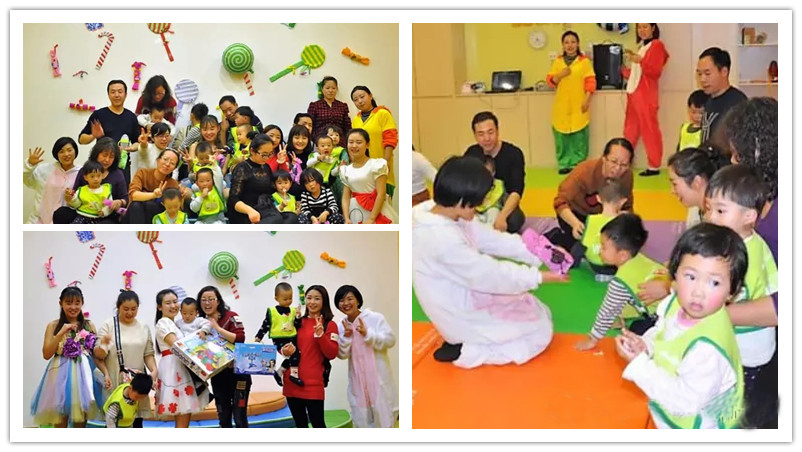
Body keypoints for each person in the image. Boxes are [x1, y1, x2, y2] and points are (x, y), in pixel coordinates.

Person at [412, 156, 566, 368]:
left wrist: (542, 252)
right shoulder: (440, 238)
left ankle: (464, 341)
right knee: (537, 335)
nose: (479, 208)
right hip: (455, 307)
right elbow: (489, 274)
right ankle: (465, 350)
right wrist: (538, 277)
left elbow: (491, 239)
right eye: (477, 203)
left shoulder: (439, 209)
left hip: (463, 288)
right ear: (460, 200)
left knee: (538, 312)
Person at [617, 223, 746, 429]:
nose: (698, 292)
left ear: (733, 291)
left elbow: (686, 404)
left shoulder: (707, 350)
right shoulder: (675, 302)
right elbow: (663, 331)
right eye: (691, 277)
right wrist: (646, 345)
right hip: (668, 406)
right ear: (674, 275)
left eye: (714, 283)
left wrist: (640, 366)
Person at [704, 165, 777, 428]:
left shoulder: (746, 257)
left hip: (747, 350)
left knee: (736, 406)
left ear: (749, 216)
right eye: (708, 209)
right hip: (744, 343)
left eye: (720, 211)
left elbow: (734, 299)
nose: (710, 217)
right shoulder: (745, 242)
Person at [724, 97, 778, 428]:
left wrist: (713, 313)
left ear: (758, 151)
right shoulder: (763, 200)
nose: (733, 161)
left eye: (737, 154)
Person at [574, 213, 667, 351]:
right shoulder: (641, 259)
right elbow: (632, 294)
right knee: (635, 325)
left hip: (667, 320)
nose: (599, 250)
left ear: (623, 255)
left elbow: (607, 311)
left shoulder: (620, 282)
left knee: (632, 337)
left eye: (604, 247)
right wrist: (622, 315)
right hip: (677, 308)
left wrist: (592, 339)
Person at [30, 286, 101, 427]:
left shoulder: (88, 325)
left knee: (81, 419)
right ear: (60, 303)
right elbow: (46, 354)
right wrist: (61, 332)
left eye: (77, 303)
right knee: (60, 418)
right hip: (59, 376)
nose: (73, 307)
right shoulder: (53, 325)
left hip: (84, 375)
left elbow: (96, 353)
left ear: (82, 303)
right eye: (68, 303)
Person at [552, 137, 635, 250]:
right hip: (577, 215)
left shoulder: (627, 176)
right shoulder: (584, 171)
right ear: (604, 158)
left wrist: (625, 218)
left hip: (605, 217)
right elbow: (560, 202)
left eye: (624, 165)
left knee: (624, 244)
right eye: (614, 162)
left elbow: (628, 206)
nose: (617, 168)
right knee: (581, 247)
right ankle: (556, 236)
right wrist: (575, 224)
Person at [335, 285, 398, 428]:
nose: (346, 303)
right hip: (357, 382)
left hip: (378, 379)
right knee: (361, 419)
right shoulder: (341, 326)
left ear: (358, 300)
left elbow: (390, 340)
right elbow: (342, 354)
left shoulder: (375, 318)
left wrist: (368, 334)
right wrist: (347, 336)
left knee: (384, 418)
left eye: (350, 299)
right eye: (341, 300)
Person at [93, 290, 158, 429]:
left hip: (137, 383)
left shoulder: (143, 327)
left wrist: (154, 371)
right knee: (114, 419)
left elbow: (148, 354)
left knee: (136, 421)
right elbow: (98, 356)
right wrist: (104, 344)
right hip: (115, 380)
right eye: (126, 309)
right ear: (118, 307)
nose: (130, 313)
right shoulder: (109, 325)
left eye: (134, 309)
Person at [279, 285, 339, 428]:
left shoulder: (330, 325)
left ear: (324, 301)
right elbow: (283, 345)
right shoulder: (297, 322)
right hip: (292, 382)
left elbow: (332, 353)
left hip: (314, 385)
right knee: (300, 425)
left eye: (317, 298)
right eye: (309, 298)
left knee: (318, 425)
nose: (312, 302)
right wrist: (284, 351)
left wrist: (320, 335)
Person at [153, 289, 211, 427]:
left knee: (183, 417)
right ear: (160, 307)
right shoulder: (164, 323)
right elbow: (178, 346)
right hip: (175, 369)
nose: (173, 305)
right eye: (168, 303)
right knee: (182, 417)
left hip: (180, 366)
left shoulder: (176, 323)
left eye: (175, 301)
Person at [197, 286, 251, 428]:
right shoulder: (200, 322)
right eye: (203, 300)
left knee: (240, 418)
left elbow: (240, 338)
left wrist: (217, 328)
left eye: (211, 299)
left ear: (218, 301)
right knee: (223, 417)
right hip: (218, 375)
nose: (207, 303)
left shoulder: (231, 316)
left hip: (238, 374)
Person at [464, 111, 526, 233]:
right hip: (477, 203)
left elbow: (516, 191)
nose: (486, 138)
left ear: (497, 131)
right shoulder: (471, 154)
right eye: (481, 134)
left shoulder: (514, 153)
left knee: (515, 220)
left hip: (504, 202)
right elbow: (464, 187)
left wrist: (502, 217)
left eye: (490, 132)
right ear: (475, 135)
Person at [622, 23, 670, 177]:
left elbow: (655, 71)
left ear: (653, 28)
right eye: (639, 27)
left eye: (645, 27)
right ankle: (623, 162)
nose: (641, 30)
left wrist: (639, 60)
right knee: (630, 130)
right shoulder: (642, 47)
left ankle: (654, 166)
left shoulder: (656, 45)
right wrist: (622, 68)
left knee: (649, 130)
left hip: (645, 94)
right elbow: (637, 73)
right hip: (634, 92)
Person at [546, 30, 596, 174]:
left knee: (579, 136)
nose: (570, 45)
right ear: (562, 45)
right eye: (566, 42)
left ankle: (578, 164)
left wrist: (587, 99)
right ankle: (563, 164)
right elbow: (550, 81)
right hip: (561, 106)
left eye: (573, 42)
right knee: (562, 137)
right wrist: (560, 75)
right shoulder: (558, 62)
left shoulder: (584, 62)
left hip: (579, 105)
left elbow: (591, 81)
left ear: (578, 44)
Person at [52, 138, 129, 224]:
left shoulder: (118, 174)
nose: (107, 160)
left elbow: (125, 199)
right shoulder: (85, 170)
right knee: (61, 213)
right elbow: (76, 194)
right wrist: (70, 198)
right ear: (96, 154)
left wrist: (120, 202)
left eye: (111, 157)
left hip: (106, 214)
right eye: (104, 155)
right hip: (83, 213)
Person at [78, 80, 141, 184]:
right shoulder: (99, 114)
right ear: (108, 94)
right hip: (100, 167)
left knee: (122, 194)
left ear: (125, 94)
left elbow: (137, 143)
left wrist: (128, 149)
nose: (116, 95)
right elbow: (81, 139)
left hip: (122, 165)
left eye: (120, 92)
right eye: (113, 92)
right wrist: (93, 135)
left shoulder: (131, 117)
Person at [569, 179, 628, 278]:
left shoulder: (591, 218)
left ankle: (572, 264)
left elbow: (585, 243)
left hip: (594, 264)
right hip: (612, 267)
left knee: (579, 244)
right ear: (623, 201)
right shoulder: (624, 220)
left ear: (598, 198)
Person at [227, 134, 290, 224]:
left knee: (291, 217)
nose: (267, 158)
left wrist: (281, 163)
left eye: (270, 154)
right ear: (252, 151)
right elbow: (233, 199)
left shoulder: (266, 167)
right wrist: (249, 211)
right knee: (276, 219)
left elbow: (272, 189)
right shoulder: (242, 168)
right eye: (264, 155)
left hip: (265, 210)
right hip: (247, 213)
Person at [696, 47, 747, 156]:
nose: (702, 79)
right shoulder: (708, 100)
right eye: (699, 74)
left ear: (724, 71)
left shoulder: (738, 102)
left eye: (707, 74)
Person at [341, 129, 398, 224]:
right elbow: (345, 198)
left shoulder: (377, 165)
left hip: (376, 211)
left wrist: (371, 219)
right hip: (355, 211)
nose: (354, 145)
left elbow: (381, 194)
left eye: (359, 142)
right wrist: (346, 218)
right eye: (351, 142)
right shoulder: (346, 170)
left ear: (367, 145)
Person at [350, 85, 398, 196]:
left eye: (362, 97)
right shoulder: (356, 120)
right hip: (362, 173)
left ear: (370, 96)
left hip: (381, 168)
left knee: (383, 204)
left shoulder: (382, 113)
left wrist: (385, 161)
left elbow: (390, 139)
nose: (359, 101)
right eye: (355, 100)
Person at [253, 283, 304, 387]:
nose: (288, 301)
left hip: (292, 338)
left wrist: (298, 318)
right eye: (285, 299)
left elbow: (297, 325)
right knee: (294, 354)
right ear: (276, 298)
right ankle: (294, 375)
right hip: (279, 340)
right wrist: (258, 337)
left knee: (294, 356)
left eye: (290, 298)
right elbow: (265, 325)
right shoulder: (272, 312)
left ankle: (279, 372)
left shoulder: (293, 311)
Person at [124, 149, 190, 224]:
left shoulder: (173, 184)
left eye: (172, 163)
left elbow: (176, 210)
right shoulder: (142, 173)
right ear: (158, 160)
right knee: (136, 205)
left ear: (174, 168)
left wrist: (181, 198)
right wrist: (154, 195)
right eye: (165, 159)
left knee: (152, 206)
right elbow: (134, 196)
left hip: (157, 220)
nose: (167, 164)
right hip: (134, 216)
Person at [23, 138, 80, 224]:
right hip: (38, 221)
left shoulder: (82, 173)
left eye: (69, 150)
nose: (66, 154)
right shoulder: (45, 169)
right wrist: (29, 164)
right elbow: (27, 180)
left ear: (75, 151)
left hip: (63, 223)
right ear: (56, 154)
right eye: (61, 151)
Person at [667, 147, 725, 228]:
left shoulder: (721, 220)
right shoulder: (696, 212)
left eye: (674, 184)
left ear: (696, 182)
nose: (672, 191)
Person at [307, 76, 352, 141]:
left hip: (340, 142)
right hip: (320, 142)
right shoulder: (315, 105)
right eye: (327, 88)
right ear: (322, 89)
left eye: (333, 88)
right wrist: (314, 140)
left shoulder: (343, 106)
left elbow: (347, 126)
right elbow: (310, 125)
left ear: (337, 89)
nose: (330, 90)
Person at [474, 156, 506, 226]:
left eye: (488, 172)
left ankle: (489, 228)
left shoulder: (498, 184)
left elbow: (505, 198)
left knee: (493, 212)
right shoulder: (474, 184)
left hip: (493, 208)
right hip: (477, 210)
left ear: (493, 173)